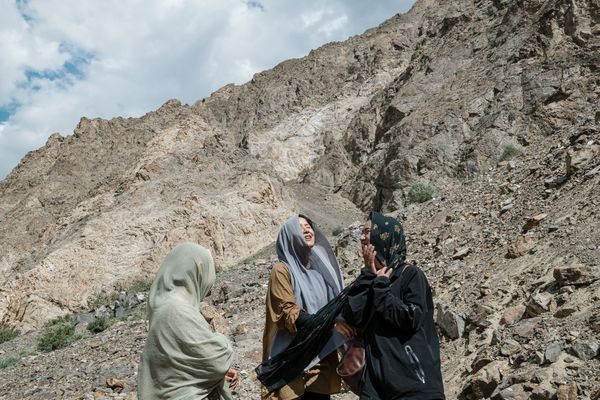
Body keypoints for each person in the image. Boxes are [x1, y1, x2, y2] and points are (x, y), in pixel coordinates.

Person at [342, 212, 445, 400]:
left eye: (367, 231)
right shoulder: (367, 280)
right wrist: (368, 275)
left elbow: (410, 318)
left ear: (384, 236)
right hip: (375, 389)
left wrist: (381, 286)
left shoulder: (410, 275)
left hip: (414, 385)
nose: (362, 237)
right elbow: (353, 317)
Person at [261, 215, 355, 400]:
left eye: (309, 226)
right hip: (291, 360)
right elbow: (288, 312)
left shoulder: (321, 273)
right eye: (300, 227)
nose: (307, 230)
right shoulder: (282, 270)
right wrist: (328, 325)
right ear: (289, 236)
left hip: (321, 360)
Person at [138, 242, 240, 400]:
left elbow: (178, 361)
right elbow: (217, 358)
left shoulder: (167, 305)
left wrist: (214, 374)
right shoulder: (176, 309)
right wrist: (222, 340)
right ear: (195, 272)